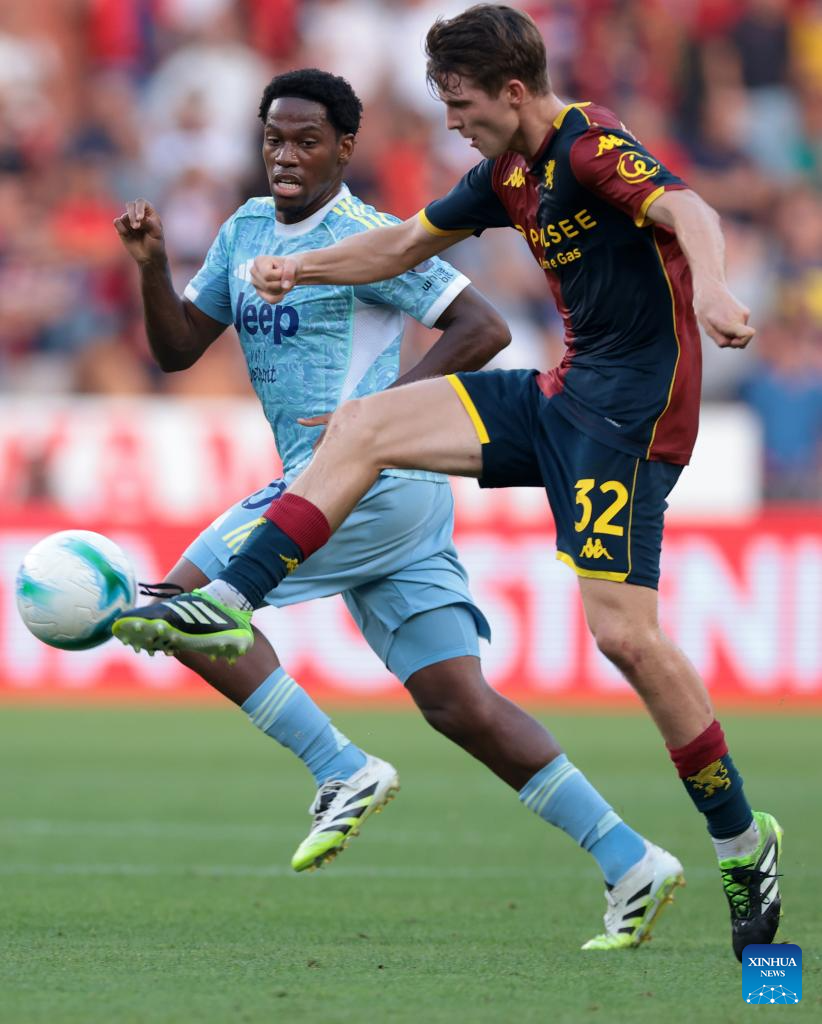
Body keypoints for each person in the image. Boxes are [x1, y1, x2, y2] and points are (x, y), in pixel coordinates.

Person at [113, 68, 685, 950]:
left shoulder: (366, 236)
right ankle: (630, 857)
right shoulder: (244, 231)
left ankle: (339, 767)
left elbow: (484, 326)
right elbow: (179, 350)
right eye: (274, 138)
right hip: (370, 497)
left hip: (364, 484)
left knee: (187, 605)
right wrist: (154, 268)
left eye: (307, 141)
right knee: (459, 703)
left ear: (345, 149)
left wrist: (376, 419)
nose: (286, 155)